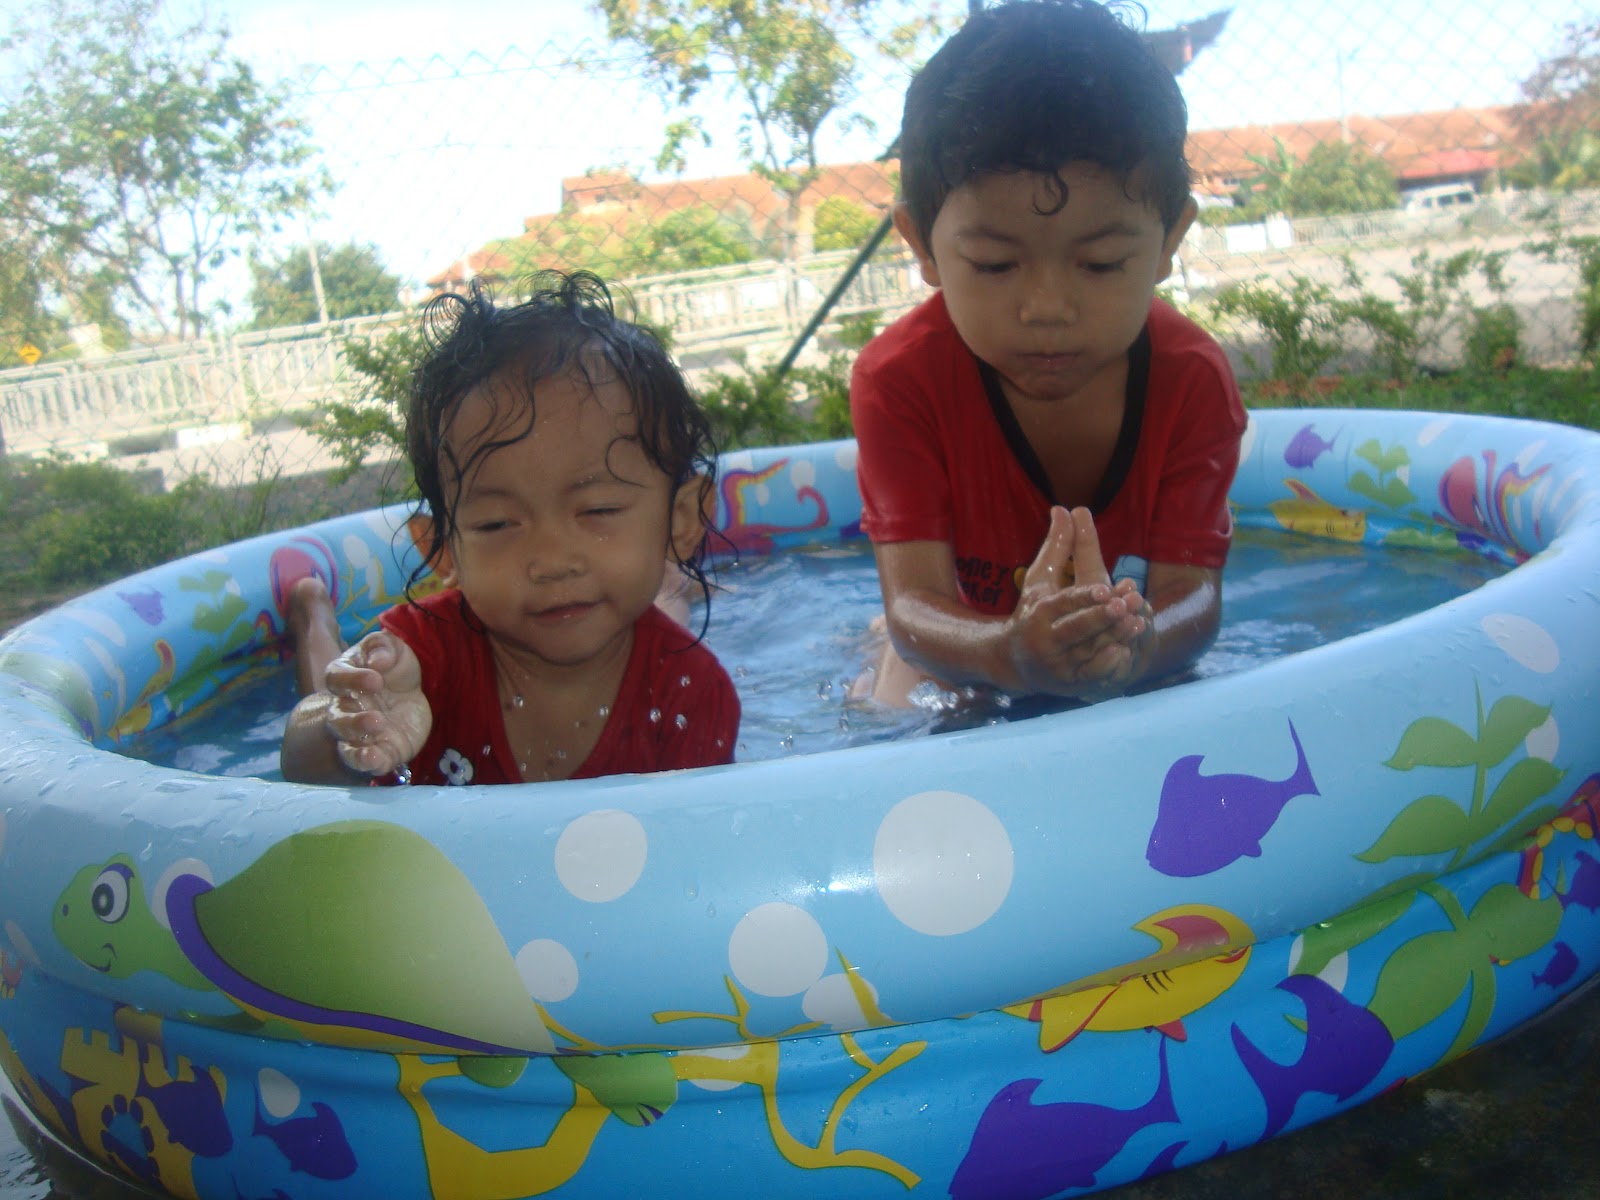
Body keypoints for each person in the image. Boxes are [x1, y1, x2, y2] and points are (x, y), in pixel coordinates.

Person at [849, 0, 1247, 706]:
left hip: (1102, 636)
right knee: (890, 697)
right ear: (922, 249)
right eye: (996, 266)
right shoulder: (899, 380)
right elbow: (916, 609)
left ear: (1169, 244)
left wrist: (1141, 641)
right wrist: (1003, 653)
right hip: (971, 642)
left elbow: (1194, 600)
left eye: (1099, 264)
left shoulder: (1192, 380)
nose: (1047, 309)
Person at [281, 270, 740, 786]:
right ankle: (314, 619)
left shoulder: (692, 692)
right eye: (498, 523)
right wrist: (351, 722)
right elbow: (303, 771)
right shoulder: (420, 658)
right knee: (337, 681)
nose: (551, 560)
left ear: (680, 521)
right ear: (443, 551)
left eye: (598, 511)